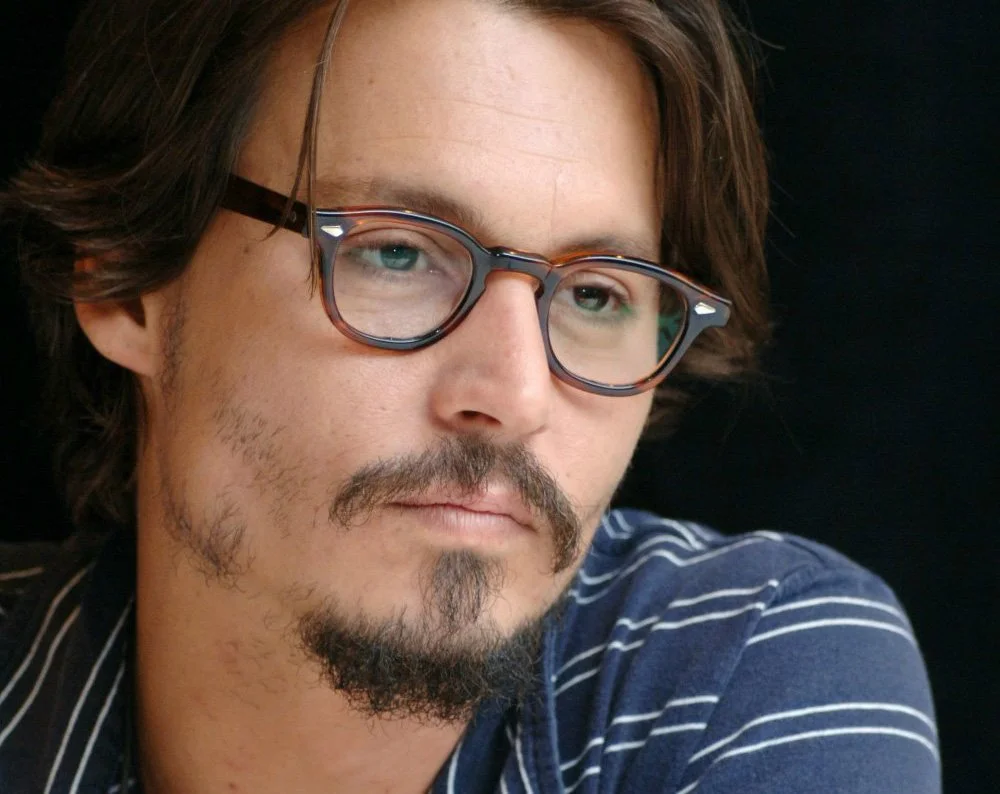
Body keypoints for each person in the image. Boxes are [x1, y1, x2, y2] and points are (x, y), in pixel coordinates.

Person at [0, 0, 940, 791]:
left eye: (596, 295)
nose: (516, 395)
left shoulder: (755, 671)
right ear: (124, 280)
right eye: (397, 253)